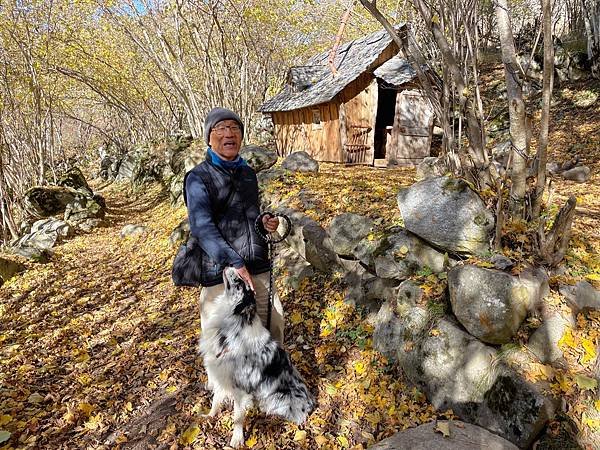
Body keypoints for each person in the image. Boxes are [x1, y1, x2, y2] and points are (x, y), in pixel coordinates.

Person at [185, 107, 284, 343]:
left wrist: (264, 222)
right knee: (222, 345)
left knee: (274, 327)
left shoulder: (247, 173)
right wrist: (233, 261)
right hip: (220, 273)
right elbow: (202, 227)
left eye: (234, 128)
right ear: (209, 137)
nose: (229, 133)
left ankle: (275, 379)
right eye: (220, 128)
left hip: (257, 267)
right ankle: (222, 383)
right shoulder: (198, 177)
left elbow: (249, 215)